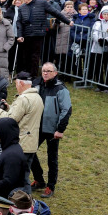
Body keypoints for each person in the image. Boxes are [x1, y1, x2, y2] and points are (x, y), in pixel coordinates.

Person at [0, 72, 43, 192]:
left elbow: (11, 121)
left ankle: (23, 204)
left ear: (22, 83)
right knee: (25, 175)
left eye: (16, 84)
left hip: (21, 143)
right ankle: (25, 203)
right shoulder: (37, 97)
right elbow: (25, 116)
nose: (16, 87)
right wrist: (9, 108)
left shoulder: (23, 99)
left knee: (21, 179)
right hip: (31, 143)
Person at [30, 63, 72, 197]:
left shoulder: (60, 88)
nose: (46, 73)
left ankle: (50, 186)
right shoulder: (36, 84)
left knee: (52, 158)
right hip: (37, 126)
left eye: (49, 71)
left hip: (52, 129)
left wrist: (60, 129)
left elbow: (67, 109)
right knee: (29, 152)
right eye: (43, 71)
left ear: (55, 73)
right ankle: (39, 180)